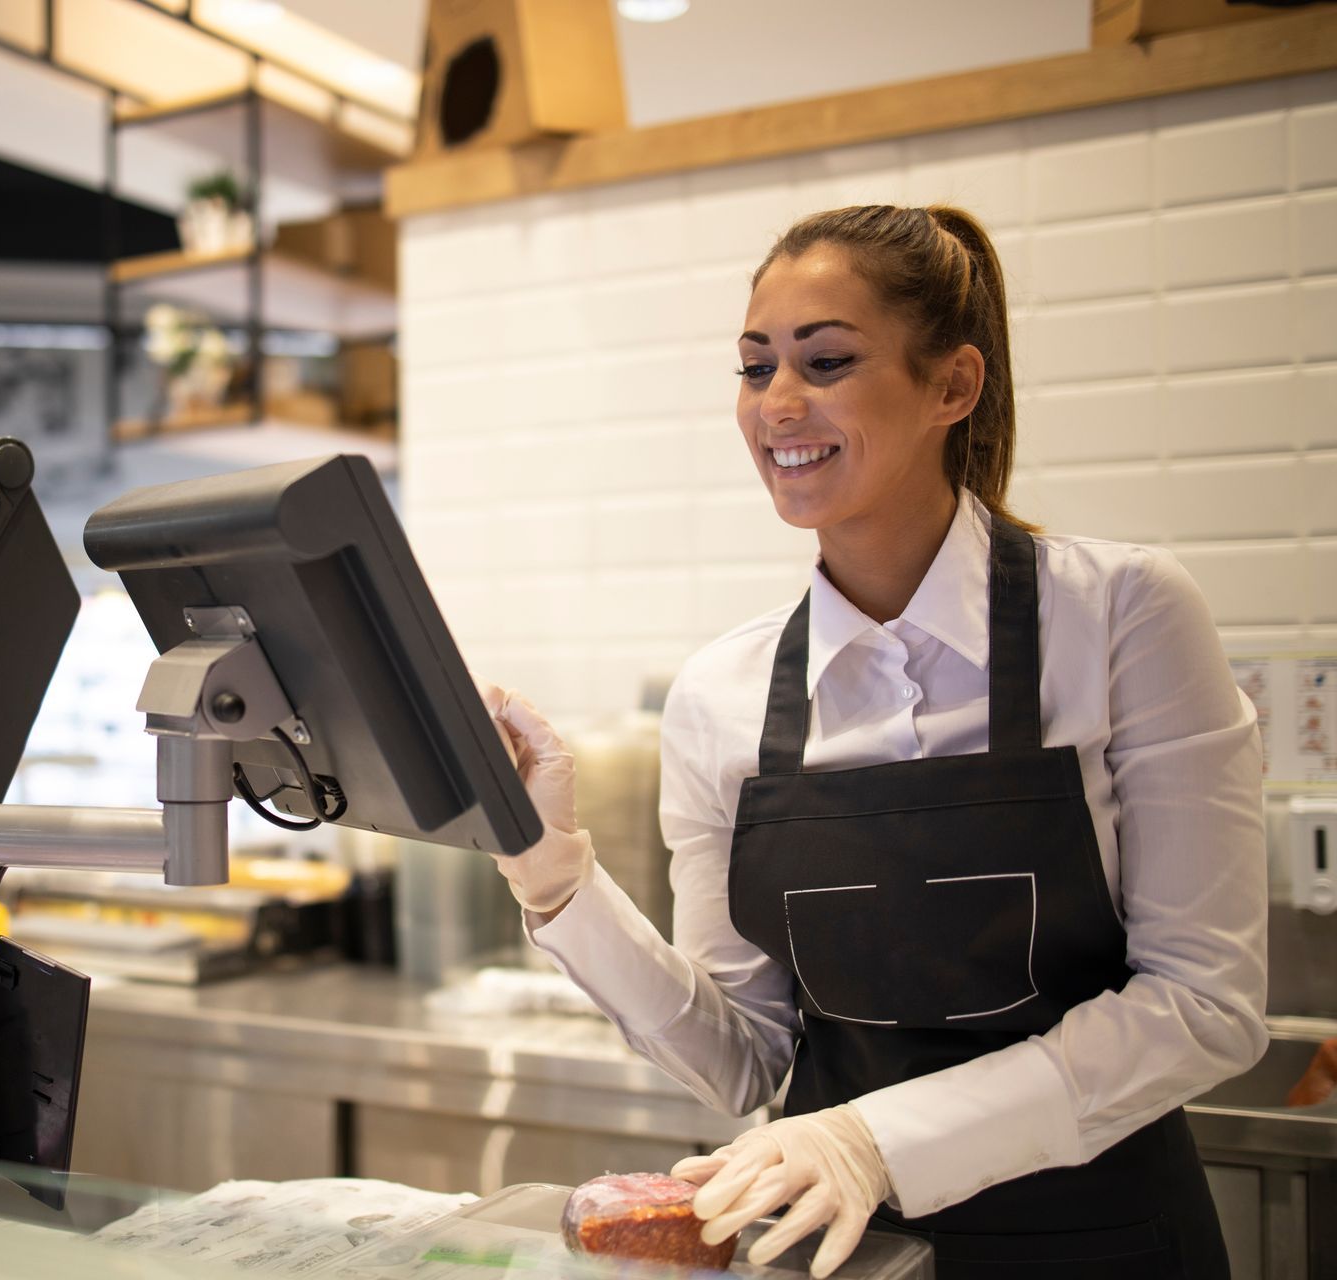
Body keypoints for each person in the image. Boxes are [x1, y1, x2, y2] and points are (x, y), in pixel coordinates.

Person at [478, 205, 1267, 1279]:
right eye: (755, 368)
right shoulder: (722, 694)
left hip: (1106, 1241)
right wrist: (553, 872)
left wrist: (870, 1138)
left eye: (827, 360)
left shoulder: (1123, 615)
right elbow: (740, 1055)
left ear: (953, 385)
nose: (778, 404)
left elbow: (1204, 1004)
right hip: (844, 1256)